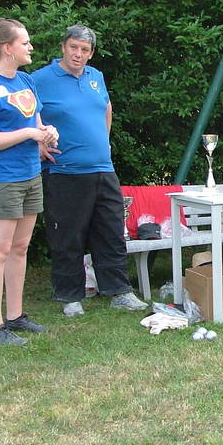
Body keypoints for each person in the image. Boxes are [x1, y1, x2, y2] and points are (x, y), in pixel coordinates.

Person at [32, 24, 147, 317]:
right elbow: (24, 112)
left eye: (84, 50)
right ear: (63, 47)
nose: (78, 54)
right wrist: (37, 141)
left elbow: (106, 108)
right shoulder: (40, 79)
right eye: (73, 47)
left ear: (91, 53)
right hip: (64, 170)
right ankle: (70, 296)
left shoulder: (96, 76)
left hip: (103, 168)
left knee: (111, 231)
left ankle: (119, 292)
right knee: (68, 236)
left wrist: (104, 141)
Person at [0, 18, 57, 345]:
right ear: (7, 48)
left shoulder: (25, 80)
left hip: (30, 174)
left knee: (20, 248)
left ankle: (16, 316)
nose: (30, 47)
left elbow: (37, 123)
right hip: (0, 179)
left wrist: (47, 133)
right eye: (25, 42)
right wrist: (28, 134)